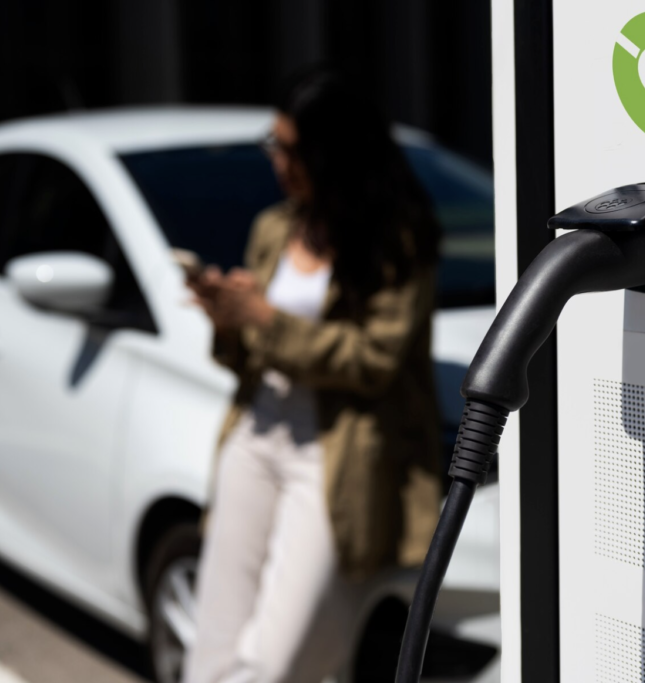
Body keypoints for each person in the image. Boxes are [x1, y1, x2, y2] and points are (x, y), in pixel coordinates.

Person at [184, 66, 443, 683]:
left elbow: (374, 361)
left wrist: (265, 320)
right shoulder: (275, 227)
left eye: (289, 148)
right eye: (273, 144)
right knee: (212, 652)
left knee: (281, 664)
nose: (277, 161)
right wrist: (227, 316)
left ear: (333, 154)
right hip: (254, 436)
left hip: (337, 457)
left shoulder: (396, 240)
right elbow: (244, 357)